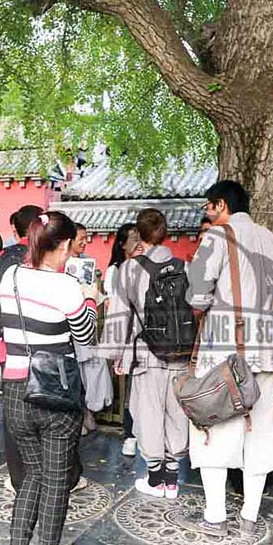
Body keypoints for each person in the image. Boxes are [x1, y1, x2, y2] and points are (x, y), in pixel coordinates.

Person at [184, 180, 273, 537]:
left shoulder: (216, 238)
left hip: (222, 355)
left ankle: (215, 517)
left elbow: (197, 297)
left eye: (208, 206)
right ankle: (249, 518)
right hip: (263, 355)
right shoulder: (271, 239)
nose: (207, 212)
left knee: (213, 433)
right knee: (260, 434)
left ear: (221, 205)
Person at [0, 211, 98, 545]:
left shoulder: (10, 275)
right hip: (54, 392)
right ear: (65, 244)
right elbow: (85, 336)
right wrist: (90, 299)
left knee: (31, 476)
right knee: (56, 483)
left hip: (14, 391)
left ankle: (17, 544)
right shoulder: (67, 286)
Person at [100, 209, 191, 499]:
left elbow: (119, 317)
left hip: (147, 354)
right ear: (165, 234)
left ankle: (155, 478)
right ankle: (173, 479)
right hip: (181, 353)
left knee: (149, 412)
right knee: (177, 413)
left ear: (139, 235)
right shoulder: (185, 266)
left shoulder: (129, 270)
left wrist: (115, 354)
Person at [0, 204, 44, 495]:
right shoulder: (51, 255)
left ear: (15, 230)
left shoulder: (0, 257)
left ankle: (19, 479)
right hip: (50, 349)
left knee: (15, 413)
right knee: (50, 409)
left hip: (10, 347)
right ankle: (56, 476)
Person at [102, 223, 143, 457]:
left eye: (141, 238)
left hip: (148, 337)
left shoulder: (146, 266)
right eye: (133, 239)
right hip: (128, 337)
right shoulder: (116, 271)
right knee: (131, 390)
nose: (138, 243)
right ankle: (130, 435)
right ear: (122, 244)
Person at [69, 223, 112, 434]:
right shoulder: (61, 262)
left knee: (91, 370)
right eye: (81, 238)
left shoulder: (87, 263)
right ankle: (80, 416)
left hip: (88, 319)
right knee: (74, 373)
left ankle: (89, 411)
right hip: (70, 324)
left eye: (86, 238)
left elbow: (94, 293)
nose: (85, 242)